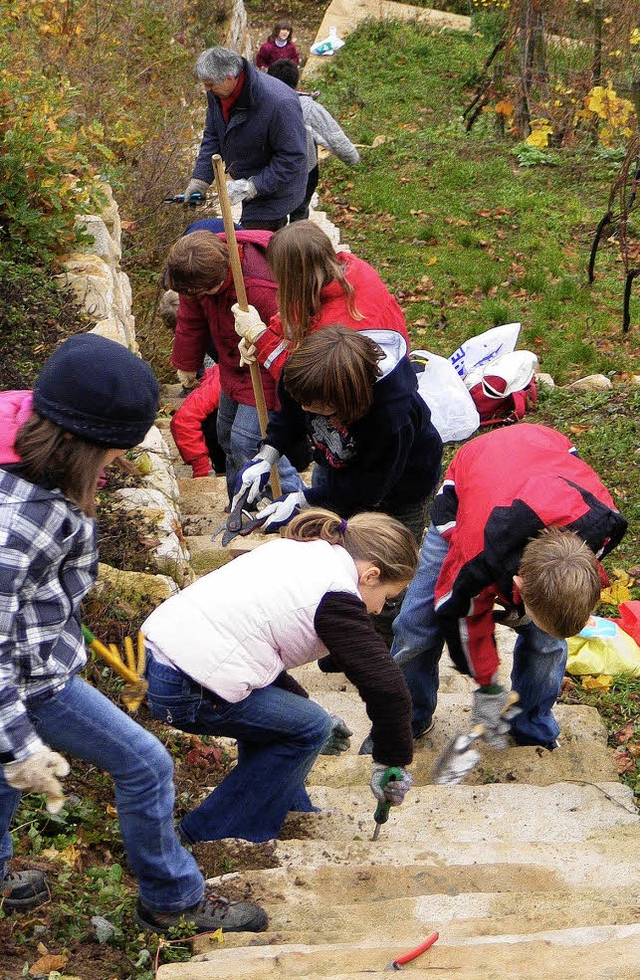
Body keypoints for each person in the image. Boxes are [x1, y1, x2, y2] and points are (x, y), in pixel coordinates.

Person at [0, 334, 266, 935]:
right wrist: (18, 742)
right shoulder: (28, 518)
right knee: (145, 765)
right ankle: (172, 901)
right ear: (80, 441)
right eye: (115, 450)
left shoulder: (20, 438)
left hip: (37, 654)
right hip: (30, 679)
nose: (119, 462)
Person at [141, 508, 417, 843]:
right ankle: (212, 834)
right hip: (187, 683)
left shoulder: (300, 552)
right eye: (386, 599)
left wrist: (298, 705)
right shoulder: (336, 595)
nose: (376, 610)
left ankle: (287, 808)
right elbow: (387, 687)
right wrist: (392, 760)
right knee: (309, 726)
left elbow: (256, 648)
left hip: (162, 657)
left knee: (304, 721)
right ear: (371, 575)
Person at [391, 423, 628, 748]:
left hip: (546, 448)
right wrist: (487, 684)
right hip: (467, 493)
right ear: (518, 581)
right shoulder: (474, 560)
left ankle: (530, 724)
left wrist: (532, 614)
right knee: (415, 627)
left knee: (547, 641)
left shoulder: (605, 525)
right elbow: (461, 617)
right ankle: (405, 721)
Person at [234, 325, 442, 540]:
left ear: (348, 401)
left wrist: (303, 500)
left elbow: (368, 489)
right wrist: (265, 458)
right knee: (334, 538)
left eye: (316, 407)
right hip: (339, 461)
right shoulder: (302, 375)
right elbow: (289, 419)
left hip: (402, 487)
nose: (304, 409)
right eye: (301, 402)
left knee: (387, 554)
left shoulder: (392, 417)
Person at [164, 222, 302, 498]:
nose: (194, 298)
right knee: (225, 434)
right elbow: (190, 319)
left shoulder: (260, 287)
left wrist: (260, 340)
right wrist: (186, 364)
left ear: (218, 281)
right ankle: (240, 503)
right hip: (232, 363)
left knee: (248, 441)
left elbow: (288, 344)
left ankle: (295, 502)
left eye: (201, 293)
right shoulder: (194, 273)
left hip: (264, 368)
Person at [231, 220, 410, 384]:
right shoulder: (346, 271)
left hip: (361, 406)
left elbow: (305, 381)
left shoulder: (339, 326)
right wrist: (269, 333)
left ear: (294, 278)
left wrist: (260, 337)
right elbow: (301, 309)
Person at [182, 46, 307, 231]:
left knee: (257, 243)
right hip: (247, 174)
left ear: (230, 79)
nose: (206, 89)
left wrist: (253, 186)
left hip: (277, 188)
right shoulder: (217, 94)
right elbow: (213, 135)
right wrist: (200, 180)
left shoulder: (279, 103)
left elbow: (293, 157)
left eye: (209, 84)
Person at [267, 59, 360, 222]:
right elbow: (334, 136)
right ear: (296, 81)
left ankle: (276, 242)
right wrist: (353, 159)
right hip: (305, 171)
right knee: (300, 212)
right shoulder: (308, 107)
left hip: (273, 170)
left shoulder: (261, 105)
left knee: (276, 214)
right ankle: (300, 241)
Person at [170, 364, 227, 477]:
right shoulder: (219, 384)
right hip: (216, 433)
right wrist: (201, 468)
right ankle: (223, 467)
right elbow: (183, 420)